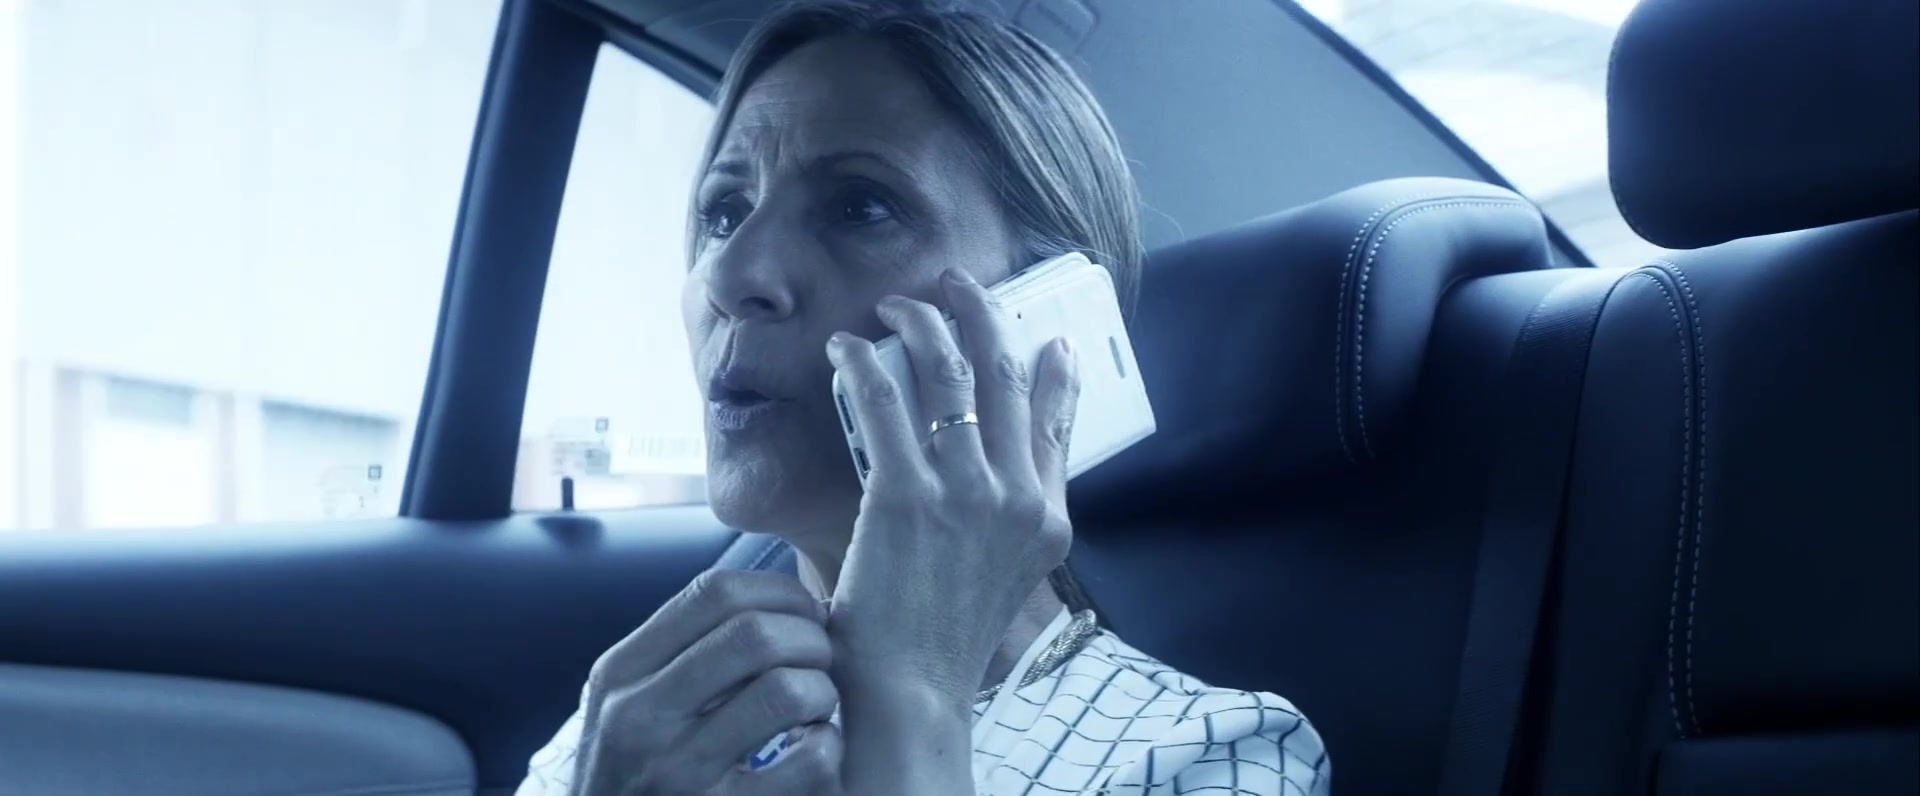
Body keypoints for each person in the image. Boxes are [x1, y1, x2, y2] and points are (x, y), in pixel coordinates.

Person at [516, 1, 1330, 794]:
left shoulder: (1208, 753)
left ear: (1049, 315)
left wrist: (912, 699)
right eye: (725, 213)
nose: (730, 276)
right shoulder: (649, 717)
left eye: (860, 207)